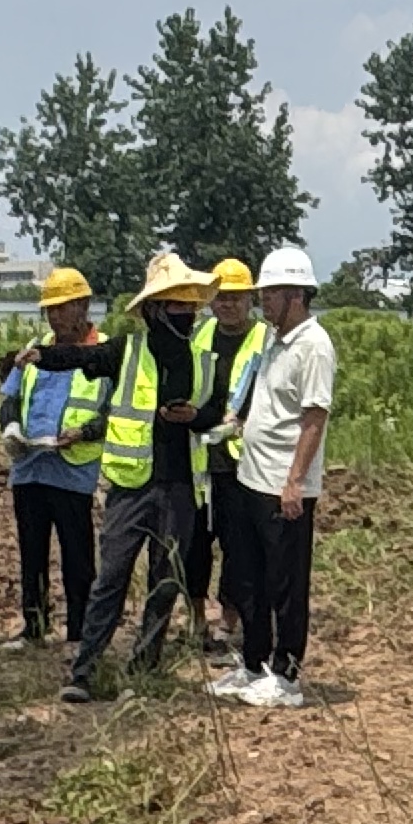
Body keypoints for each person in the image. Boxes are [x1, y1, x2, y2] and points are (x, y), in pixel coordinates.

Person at [64, 253, 210, 703]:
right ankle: (84, 671)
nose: (187, 313)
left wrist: (193, 417)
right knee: (111, 578)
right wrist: (37, 357)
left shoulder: (202, 359)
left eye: (190, 305)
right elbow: (80, 356)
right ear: (155, 310)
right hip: (131, 486)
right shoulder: (126, 351)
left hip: (180, 486)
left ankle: (143, 670)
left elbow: (217, 414)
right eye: (178, 304)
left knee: (165, 582)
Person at [215, 245, 334, 709]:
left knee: (286, 584)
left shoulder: (314, 346)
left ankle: (287, 676)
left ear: (296, 295)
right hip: (252, 478)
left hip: (283, 486)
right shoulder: (273, 340)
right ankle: (253, 663)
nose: (263, 301)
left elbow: (314, 418)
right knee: (250, 579)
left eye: (271, 293)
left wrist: (295, 482)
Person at [0, 267, 115, 650]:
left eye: (63, 308)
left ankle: (79, 632)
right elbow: (11, 397)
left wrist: (84, 432)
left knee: (77, 555)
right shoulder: (36, 348)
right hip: (30, 465)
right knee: (32, 552)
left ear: (83, 305)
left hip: (73, 467)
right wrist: (11, 428)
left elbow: (115, 411)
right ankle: (34, 627)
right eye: (50, 309)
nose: (55, 317)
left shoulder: (105, 352)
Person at [181, 255, 259, 663]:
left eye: (235, 297)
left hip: (240, 464)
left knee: (238, 547)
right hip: (198, 459)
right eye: (221, 297)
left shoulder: (264, 340)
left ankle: (229, 622)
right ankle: (196, 620)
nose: (227, 305)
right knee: (194, 544)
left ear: (250, 299)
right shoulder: (199, 336)